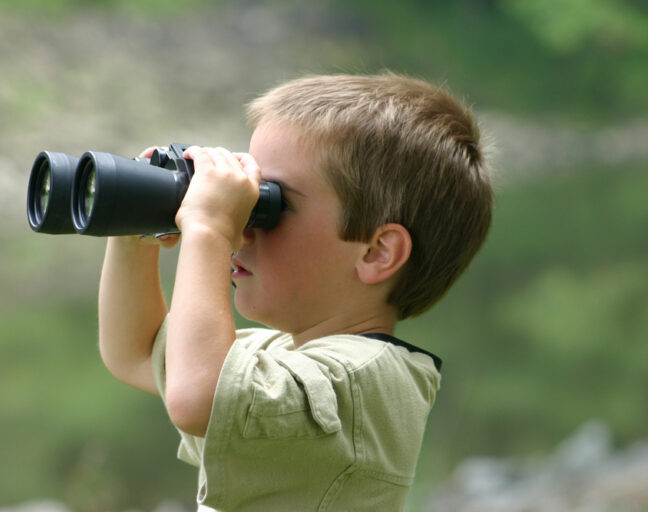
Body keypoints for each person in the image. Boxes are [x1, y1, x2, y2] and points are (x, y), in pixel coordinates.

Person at [97, 72, 493, 511]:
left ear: (377, 252)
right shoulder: (284, 354)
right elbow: (135, 351)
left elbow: (196, 398)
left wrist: (208, 229)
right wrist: (135, 228)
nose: (244, 226)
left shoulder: (365, 380)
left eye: (269, 204)